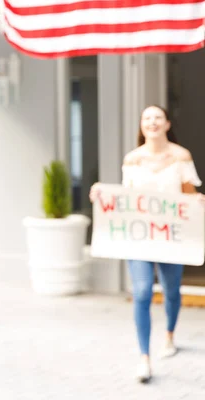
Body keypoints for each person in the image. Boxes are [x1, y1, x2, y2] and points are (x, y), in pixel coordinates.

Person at [90, 105, 203, 384]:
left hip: (170, 238)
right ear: (141, 125)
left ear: (166, 124)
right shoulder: (132, 159)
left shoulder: (180, 156)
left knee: (172, 290)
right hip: (140, 237)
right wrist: (102, 195)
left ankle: (170, 335)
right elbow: (127, 199)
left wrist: (197, 202)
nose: (152, 122)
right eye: (146, 118)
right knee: (141, 292)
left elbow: (188, 196)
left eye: (157, 118)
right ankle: (144, 357)